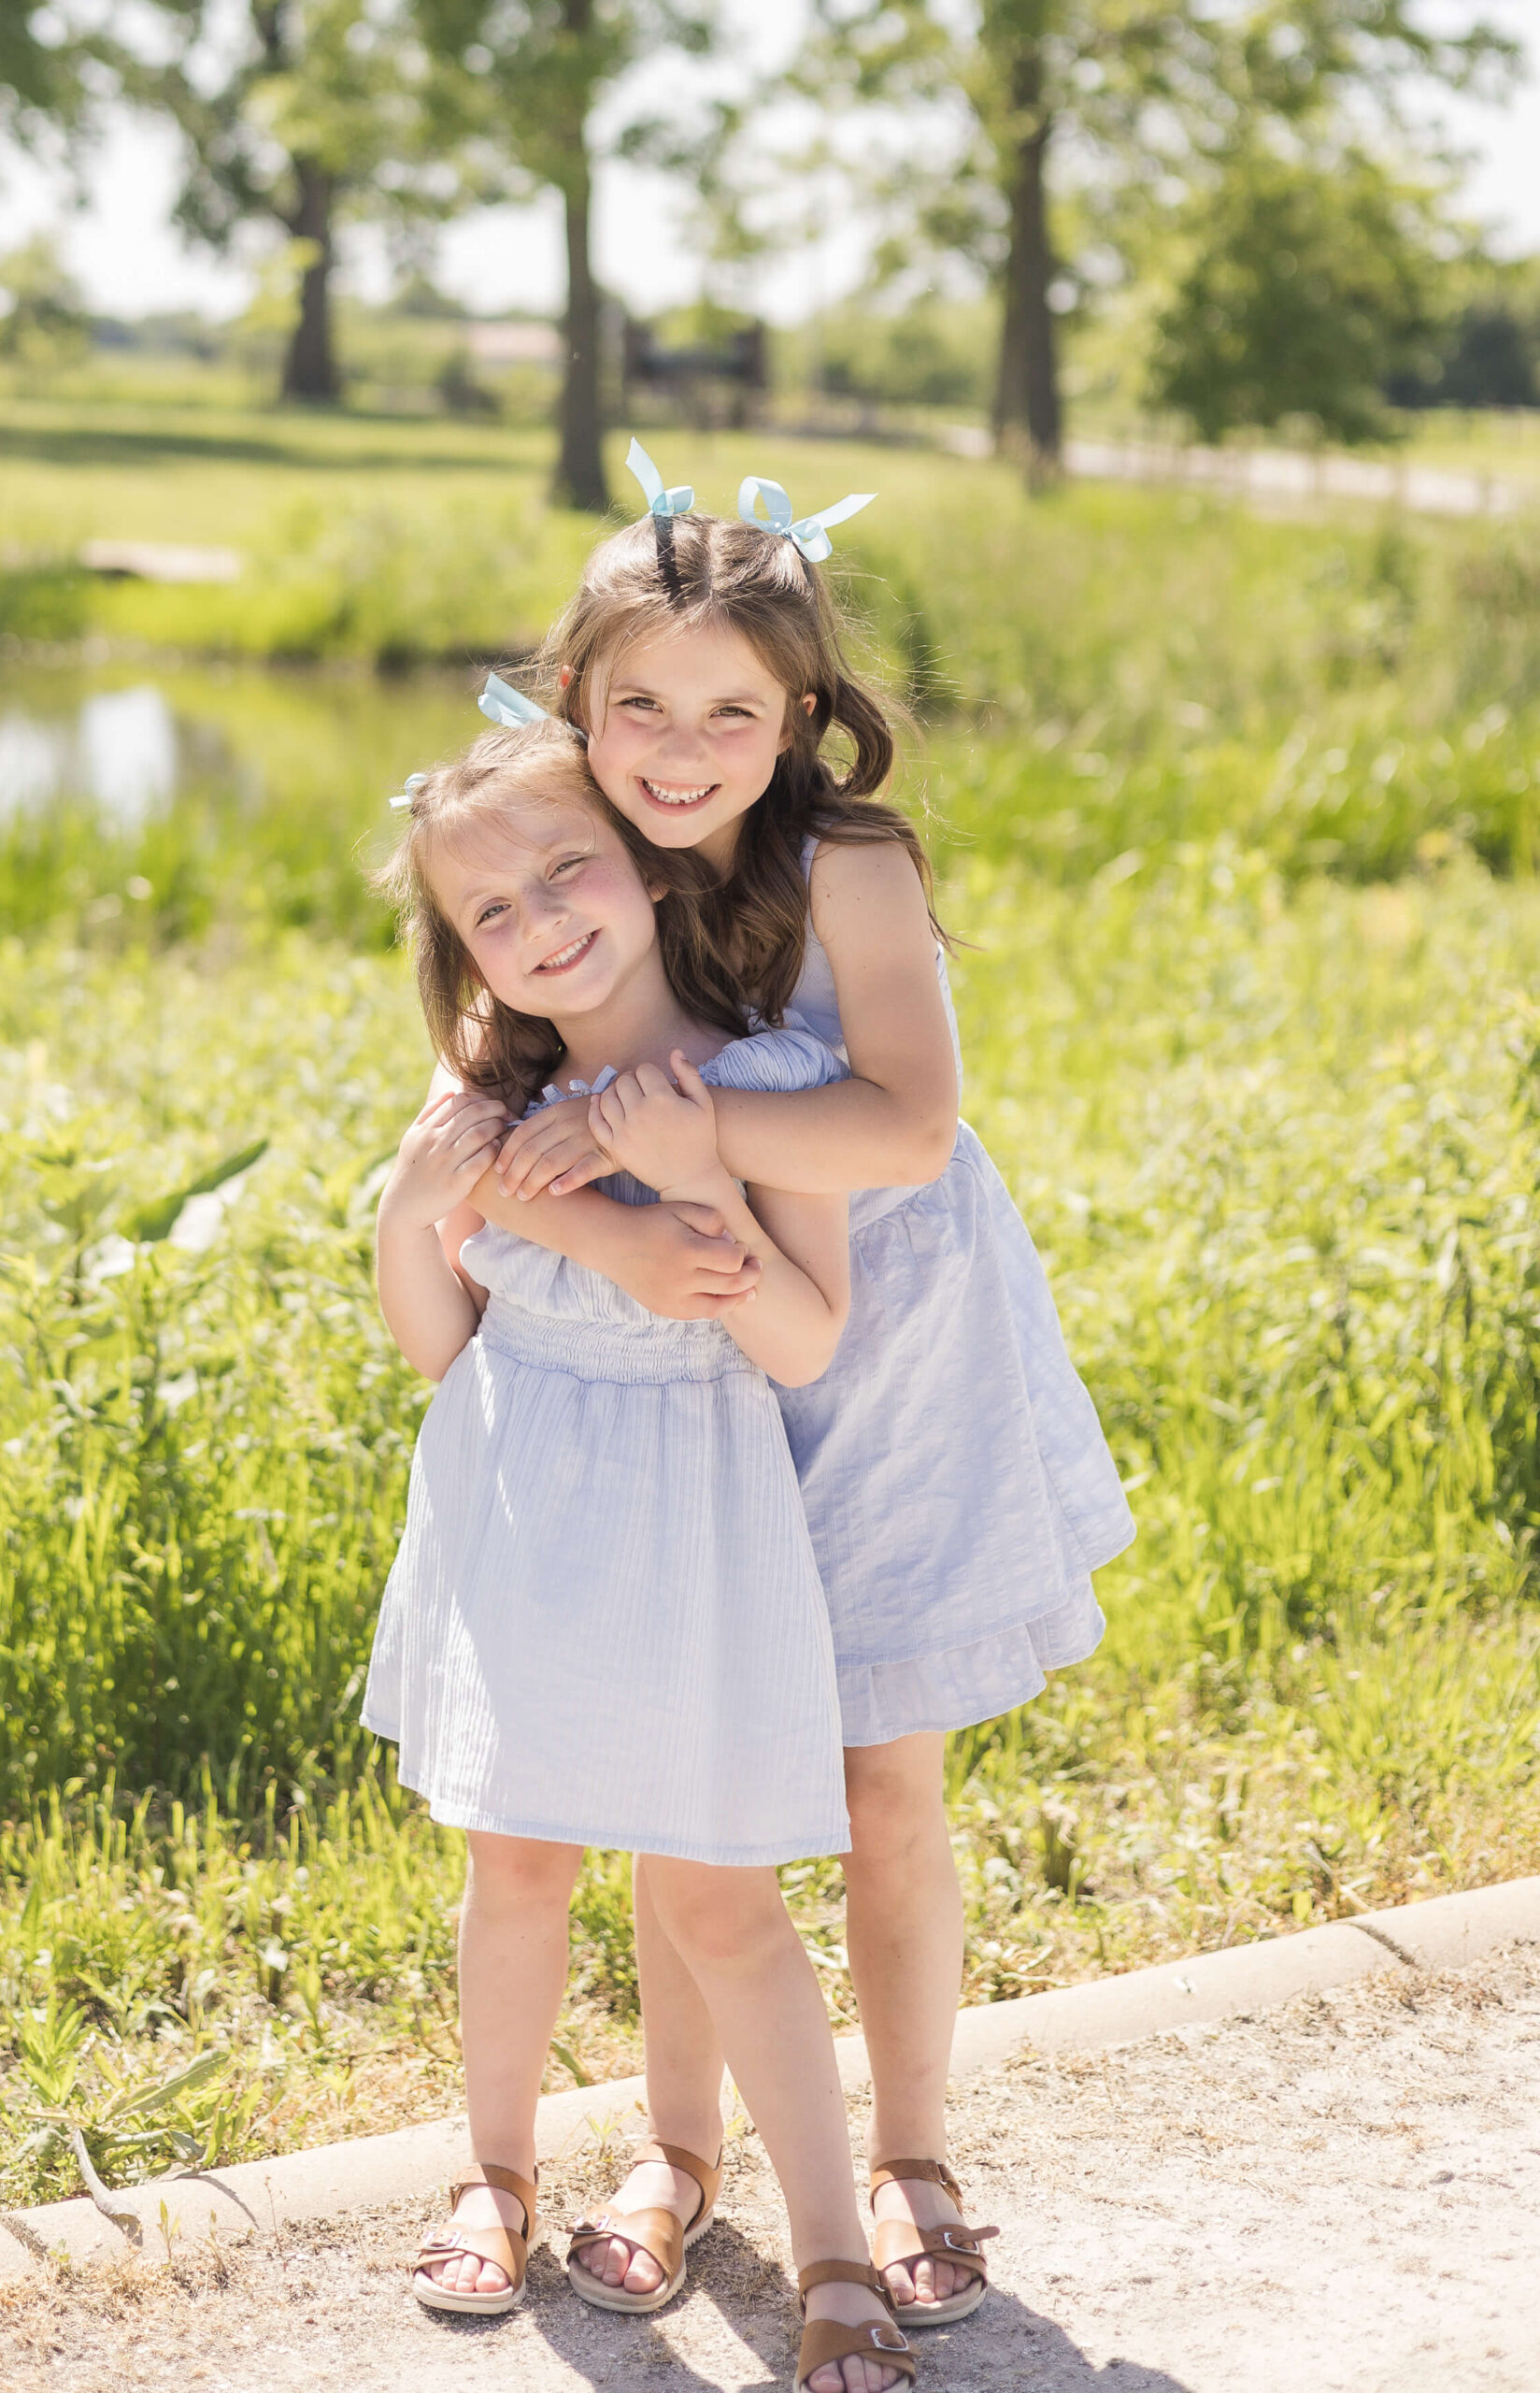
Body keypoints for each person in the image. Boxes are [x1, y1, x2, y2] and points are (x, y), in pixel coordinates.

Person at [462, 445, 1135, 2333]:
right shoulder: (565, 864)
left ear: (802, 716)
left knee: (878, 1774)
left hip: (895, 1345)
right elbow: (489, 1083)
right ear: (575, 701)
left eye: (730, 709)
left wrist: (677, 1111)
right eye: (639, 703)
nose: (680, 744)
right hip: (694, 1351)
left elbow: (909, 1123)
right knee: (700, 1776)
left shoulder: (846, 863)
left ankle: (909, 2146)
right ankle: (677, 2149)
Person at [364, 716, 916, 2393]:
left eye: (564, 869)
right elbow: (435, 1342)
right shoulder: (482, 1099)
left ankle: (832, 2254)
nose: (539, 922)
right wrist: (409, 1210)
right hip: (522, 1509)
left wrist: (701, 1184)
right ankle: (496, 2170)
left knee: (714, 1896)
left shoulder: (762, 1082)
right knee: (514, 1866)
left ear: (648, 861)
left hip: (691, 1521)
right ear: (462, 954)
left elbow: (808, 1341)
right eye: (492, 915)